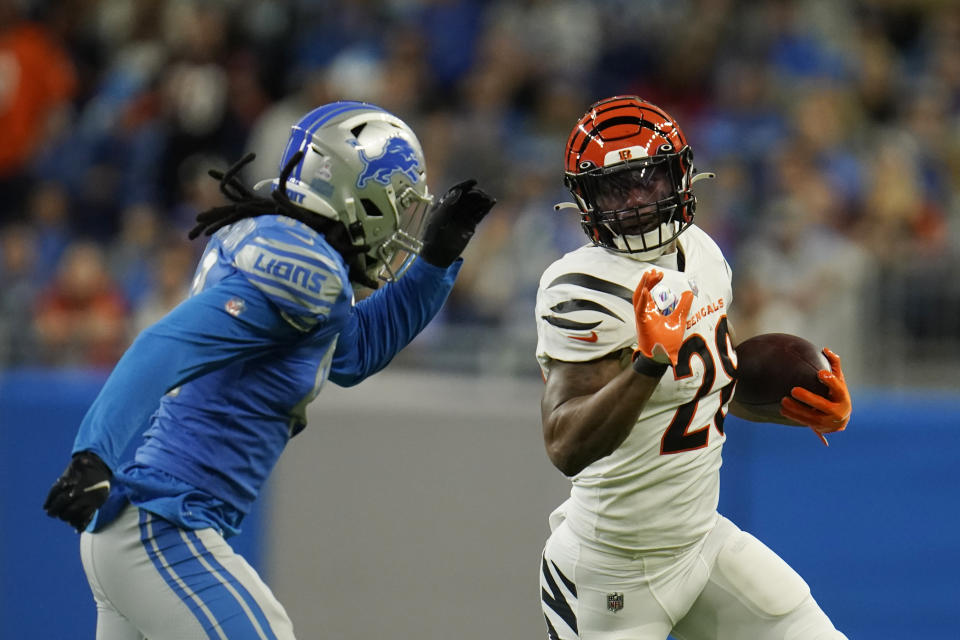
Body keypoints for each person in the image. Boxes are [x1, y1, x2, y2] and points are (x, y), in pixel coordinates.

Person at [43, 101, 496, 639]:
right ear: (362, 195)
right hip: (166, 524)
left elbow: (353, 353)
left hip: (143, 526)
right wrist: (94, 451)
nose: (401, 221)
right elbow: (164, 344)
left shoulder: (283, 245)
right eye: (397, 202)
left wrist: (435, 263)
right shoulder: (306, 267)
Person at [535, 96, 852, 640]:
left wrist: (800, 407)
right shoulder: (580, 288)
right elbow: (565, 444)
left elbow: (706, 391)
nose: (635, 200)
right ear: (586, 200)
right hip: (610, 569)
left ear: (680, 176)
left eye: (648, 179)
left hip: (699, 542)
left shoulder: (703, 255)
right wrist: (646, 364)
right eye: (616, 187)